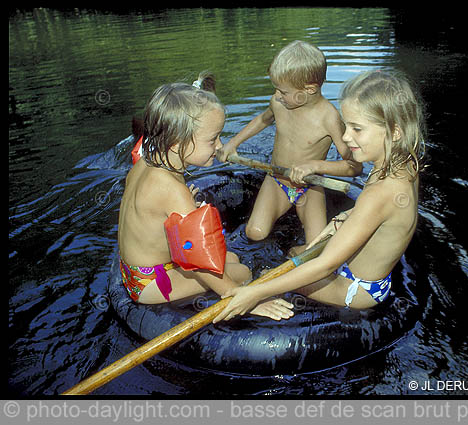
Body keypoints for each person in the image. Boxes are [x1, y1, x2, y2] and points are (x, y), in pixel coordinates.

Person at [213, 69, 426, 322]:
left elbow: (325, 264)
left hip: (354, 290)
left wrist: (255, 292)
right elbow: (382, 216)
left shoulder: (380, 193)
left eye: (357, 129)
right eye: (347, 127)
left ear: (395, 131)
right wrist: (341, 219)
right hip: (372, 277)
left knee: (270, 273)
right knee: (296, 252)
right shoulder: (403, 165)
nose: (346, 137)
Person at [118, 72, 293, 321]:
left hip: (135, 271)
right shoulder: (172, 190)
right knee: (241, 271)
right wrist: (244, 299)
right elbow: (197, 264)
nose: (221, 145)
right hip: (150, 282)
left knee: (229, 257)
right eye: (213, 139)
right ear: (177, 144)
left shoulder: (147, 163)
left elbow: (147, 216)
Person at [217, 40, 362, 255]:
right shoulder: (279, 103)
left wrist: (315, 165)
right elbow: (262, 120)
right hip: (277, 178)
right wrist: (232, 143)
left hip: (310, 186)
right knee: (255, 232)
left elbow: (354, 167)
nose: (277, 96)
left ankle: (294, 252)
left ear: (310, 89)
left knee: (314, 249)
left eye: (283, 91)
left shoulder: (329, 118)